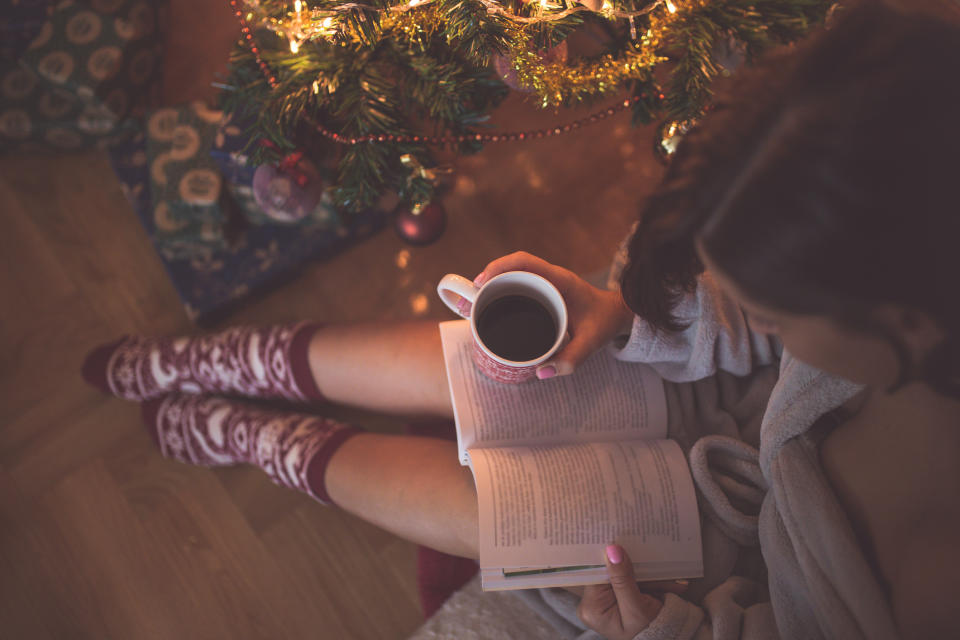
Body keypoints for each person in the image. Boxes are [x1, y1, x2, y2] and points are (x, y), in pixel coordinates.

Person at [82, 0, 959, 637]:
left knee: (515, 512)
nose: (769, 314)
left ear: (904, 323)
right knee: (492, 371)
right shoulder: (911, 219)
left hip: (716, 559)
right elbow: (753, 322)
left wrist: (665, 630)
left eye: (777, 306)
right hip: (727, 393)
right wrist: (621, 312)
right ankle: (244, 359)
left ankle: (270, 443)